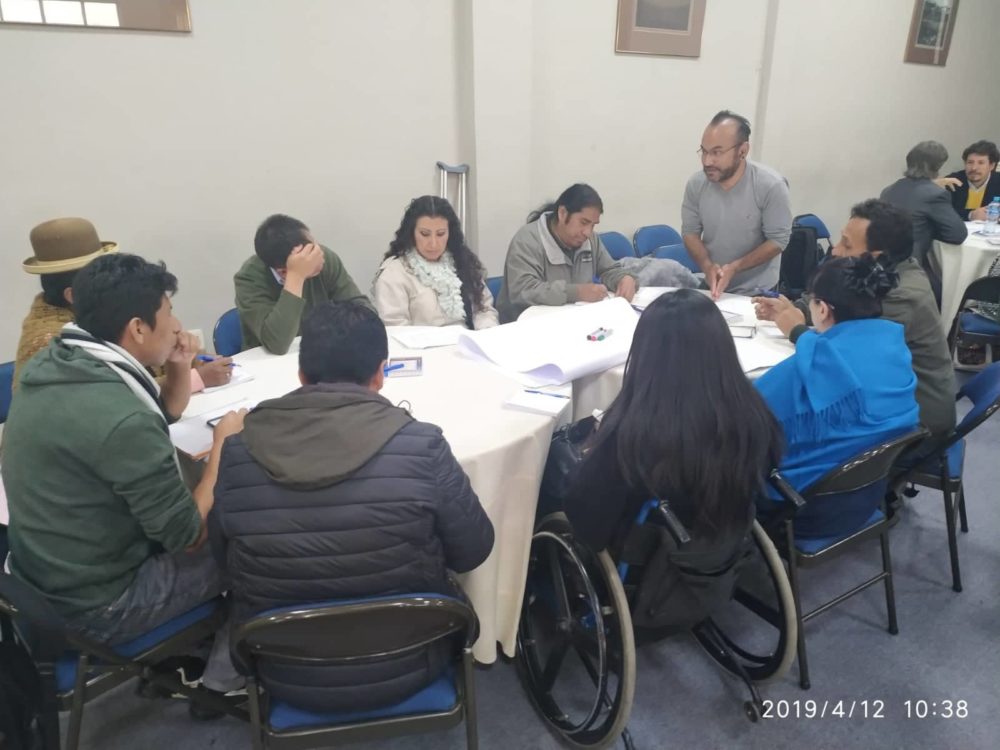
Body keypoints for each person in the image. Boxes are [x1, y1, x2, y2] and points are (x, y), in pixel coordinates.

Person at [208, 301, 494, 713]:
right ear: (380, 374)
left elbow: (225, 565)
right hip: (414, 658)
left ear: (301, 374)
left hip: (283, 671)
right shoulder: (423, 446)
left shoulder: (237, 453)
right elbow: (473, 550)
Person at [2, 253, 247, 701]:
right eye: (168, 312)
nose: (177, 325)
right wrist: (223, 450)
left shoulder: (60, 363)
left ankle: (194, 650)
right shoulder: (120, 418)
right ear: (137, 328)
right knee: (253, 541)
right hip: (99, 607)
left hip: (37, 583)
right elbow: (189, 536)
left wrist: (179, 364)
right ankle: (221, 683)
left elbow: (160, 412)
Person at [563, 289, 783, 633]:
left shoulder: (634, 435)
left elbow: (586, 521)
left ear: (647, 355)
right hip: (714, 543)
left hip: (646, 561)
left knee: (557, 469)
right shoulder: (754, 414)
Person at [753, 199, 956, 438]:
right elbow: (833, 292)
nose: (836, 250)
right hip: (879, 401)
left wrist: (796, 329)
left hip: (913, 421)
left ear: (875, 257)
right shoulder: (881, 274)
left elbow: (838, 355)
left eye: (847, 245)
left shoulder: (900, 295)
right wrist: (798, 309)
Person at [754, 256, 920, 533]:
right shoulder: (894, 348)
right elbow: (838, 359)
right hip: (867, 495)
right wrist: (799, 332)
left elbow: (744, 419)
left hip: (801, 505)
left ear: (822, 309)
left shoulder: (799, 374)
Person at [15, 217, 233, 392]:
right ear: (73, 295)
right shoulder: (51, 345)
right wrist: (195, 378)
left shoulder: (100, 310)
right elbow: (111, 397)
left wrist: (189, 360)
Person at [681, 110, 792, 299]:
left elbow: (778, 240)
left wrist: (736, 267)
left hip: (758, 291)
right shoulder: (696, 184)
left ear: (742, 151)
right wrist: (707, 266)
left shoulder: (770, 186)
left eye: (717, 152)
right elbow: (690, 232)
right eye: (704, 151)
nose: (707, 161)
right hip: (713, 284)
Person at [495, 183, 637, 323]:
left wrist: (624, 278)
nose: (588, 232)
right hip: (526, 326)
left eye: (593, 225)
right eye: (583, 222)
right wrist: (576, 293)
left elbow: (609, 269)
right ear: (562, 213)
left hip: (573, 321)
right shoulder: (527, 240)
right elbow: (523, 291)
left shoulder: (590, 239)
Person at [234, 213, 372, 354]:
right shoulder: (248, 279)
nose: (319, 254)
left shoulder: (326, 259)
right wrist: (296, 277)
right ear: (283, 271)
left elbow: (361, 308)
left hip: (324, 352)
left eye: (314, 245)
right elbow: (277, 344)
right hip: (269, 361)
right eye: (310, 252)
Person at [372, 195, 499, 329]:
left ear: (450, 233)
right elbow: (395, 328)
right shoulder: (394, 273)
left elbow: (484, 310)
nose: (433, 244)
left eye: (440, 234)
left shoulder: (461, 260)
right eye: (425, 234)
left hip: (467, 339)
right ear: (411, 233)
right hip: (421, 342)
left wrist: (485, 332)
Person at [880, 141, 968, 304]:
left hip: (882, 263)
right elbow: (957, 235)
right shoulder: (935, 194)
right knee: (945, 291)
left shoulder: (888, 190)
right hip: (909, 266)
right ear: (936, 167)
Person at [936, 140, 1000, 221]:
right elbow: (942, 212)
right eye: (970, 162)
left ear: (992, 166)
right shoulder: (953, 181)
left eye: (981, 163)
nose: (974, 168)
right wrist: (970, 215)